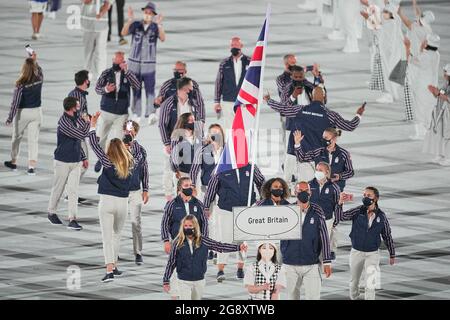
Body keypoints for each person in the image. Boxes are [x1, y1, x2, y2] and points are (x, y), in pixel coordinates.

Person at [264, 86, 364, 186]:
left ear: (311, 96)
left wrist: (269, 100)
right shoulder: (331, 115)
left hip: (293, 153)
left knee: (287, 185)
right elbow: (350, 126)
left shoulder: (300, 109)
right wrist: (358, 115)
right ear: (324, 97)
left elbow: (282, 109)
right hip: (315, 159)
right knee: (309, 188)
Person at [88, 111, 134, 282]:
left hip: (107, 202)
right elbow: (130, 138)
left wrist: (93, 125)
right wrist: (128, 124)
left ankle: (109, 270)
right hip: (123, 203)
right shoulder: (130, 161)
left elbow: (94, 144)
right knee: (117, 235)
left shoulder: (107, 162)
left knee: (107, 237)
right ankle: (114, 266)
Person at [203, 164, 265, 282]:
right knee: (224, 239)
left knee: (242, 239)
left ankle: (240, 267)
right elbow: (211, 188)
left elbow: (262, 182)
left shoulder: (251, 167)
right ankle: (221, 269)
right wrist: (206, 206)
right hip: (226, 210)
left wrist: (263, 199)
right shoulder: (220, 168)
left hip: (245, 209)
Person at [163, 215, 247, 300]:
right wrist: (166, 280)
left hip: (199, 280)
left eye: (190, 226)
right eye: (185, 226)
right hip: (183, 280)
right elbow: (171, 262)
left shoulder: (203, 241)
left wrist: (238, 247)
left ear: (195, 226)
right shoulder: (177, 242)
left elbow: (219, 246)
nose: (187, 228)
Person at [336, 186, 395, 300]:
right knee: (354, 282)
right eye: (364, 195)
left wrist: (392, 253)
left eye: (369, 195)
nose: (365, 197)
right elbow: (341, 217)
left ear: (376, 198)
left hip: (373, 254)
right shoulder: (358, 211)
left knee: (370, 283)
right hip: (356, 252)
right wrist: (340, 203)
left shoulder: (381, 216)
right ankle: (354, 297)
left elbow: (387, 235)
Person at [281, 181, 332, 300]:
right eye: (300, 191)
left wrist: (327, 261)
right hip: (290, 263)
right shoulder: (287, 211)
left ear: (310, 192)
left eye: (306, 191)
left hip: (311, 263)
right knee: (291, 297)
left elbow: (324, 236)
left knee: (313, 297)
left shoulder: (317, 210)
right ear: (295, 192)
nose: (303, 193)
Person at [159, 77, 205, 201]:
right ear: (184, 89)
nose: (192, 90)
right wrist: (167, 143)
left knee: (193, 166)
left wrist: (200, 136)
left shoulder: (194, 103)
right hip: (174, 141)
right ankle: (169, 197)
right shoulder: (168, 103)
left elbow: (200, 118)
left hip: (191, 140)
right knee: (170, 169)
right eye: (190, 88)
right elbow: (162, 123)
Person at [47, 97, 90, 230]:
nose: (79, 107)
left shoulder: (76, 118)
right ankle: (51, 212)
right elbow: (81, 135)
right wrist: (89, 123)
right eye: (77, 105)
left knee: (73, 191)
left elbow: (78, 141)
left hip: (75, 161)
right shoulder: (64, 122)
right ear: (71, 107)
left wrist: (83, 157)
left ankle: (72, 219)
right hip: (62, 162)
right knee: (58, 188)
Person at [161, 177, 207, 299]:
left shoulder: (198, 204)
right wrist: (166, 240)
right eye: (186, 186)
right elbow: (165, 223)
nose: (190, 188)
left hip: (194, 243)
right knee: (175, 267)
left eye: (191, 185)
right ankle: (175, 296)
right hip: (178, 242)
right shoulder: (172, 204)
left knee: (190, 267)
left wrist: (204, 241)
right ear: (180, 188)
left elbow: (205, 224)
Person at [94, 51, 140, 173]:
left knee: (120, 139)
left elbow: (137, 86)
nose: (120, 64)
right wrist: (106, 89)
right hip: (106, 111)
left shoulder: (127, 74)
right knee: (100, 138)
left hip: (122, 113)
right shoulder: (106, 73)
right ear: (113, 61)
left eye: (122, 62)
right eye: (118, 61)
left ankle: (116, 162)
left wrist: (127, 71)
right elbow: (97, 89)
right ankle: (101, 158)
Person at [121, 2, 166, 124]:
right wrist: (129, 20)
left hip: (149, 63)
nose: (147, 14)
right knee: (135, 87)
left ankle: (151, 112)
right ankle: (136, 112)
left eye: (150, 13)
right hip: (134, 63)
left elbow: (163, 38)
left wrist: (159, 24)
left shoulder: (155, 27)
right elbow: (124, 33)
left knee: (150, 88)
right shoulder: (136, 25)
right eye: (146, 12)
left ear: (153, 14)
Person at [189, 124, 224, 260]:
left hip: (223, 191)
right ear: (209, 135)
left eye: (218, 132)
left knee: (218, 220)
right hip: (206, 189)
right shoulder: (202, 151)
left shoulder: (227, 151)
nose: (215, 135)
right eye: (213, 133)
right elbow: (194, 170)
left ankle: (217, 248)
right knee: (208, 220)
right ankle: (209, 246)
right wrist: (192, 186)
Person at [4, 54, 43, 175]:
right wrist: (34, 60)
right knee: (33, 140)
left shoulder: (20, 83)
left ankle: (14, 161)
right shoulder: (40, 77)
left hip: (23, 113)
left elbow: (15, 103)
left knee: (16, 137)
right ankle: (31, 167)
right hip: (37, 112)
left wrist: (10, 118)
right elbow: (39, 69)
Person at [398, 2, 434, 122]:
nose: (419, 18)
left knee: (409, 88)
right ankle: (414, 114)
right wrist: (414, 3)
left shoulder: (418, 29)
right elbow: (418, 14)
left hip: (413, 61)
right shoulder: (427, 28)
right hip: (418, 60)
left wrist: (399, 12)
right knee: (411, 88)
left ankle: (411, 116)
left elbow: (407, 23)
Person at [365, 3, 404, 104]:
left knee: (387, 74)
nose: (383, 13)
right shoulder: (392, 21)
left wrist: (368, 17)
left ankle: (389, 95)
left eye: (386, 12)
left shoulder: (390, 24)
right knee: (388, 74)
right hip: (387, 53)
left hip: (388, 54)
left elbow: (377, 28)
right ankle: (392, 94)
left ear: (391, 14)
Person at [123, 120, 149, 265]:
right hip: (118, 191)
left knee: (136, 222)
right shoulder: (116, 146)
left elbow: (144, 170)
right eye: (127, 128)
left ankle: (138, 252)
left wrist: (145, 189)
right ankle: (114, 253)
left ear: (136, 132)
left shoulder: (140, 150)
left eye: (132, 129)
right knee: (117, 224)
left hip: (134, 191)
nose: (129, 131)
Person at [405, 33, 440, 140]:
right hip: (432, 85)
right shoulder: (436, 54)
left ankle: (420, 134)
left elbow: (410, 60)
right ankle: (429, 131)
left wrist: (407, 47)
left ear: (427, 43)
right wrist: (421, 48)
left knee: (419, 109)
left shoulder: (426, 56)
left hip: (422, 86)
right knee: (428, 109)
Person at [213, 37, 250, 129]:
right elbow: (219, 82)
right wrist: (217, 101)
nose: (234, 47)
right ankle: (230, 143)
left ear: (241, 46)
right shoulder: (224, 63)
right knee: (229, 127)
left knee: (244, 126)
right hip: (228, 100)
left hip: (244, 100)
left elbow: (255, 81)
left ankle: (242, 143)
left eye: (236, 45)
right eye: (232, 45)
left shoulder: (250, 62)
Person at [308, 161, 341, 260]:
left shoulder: (334, 188)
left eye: (320, 170)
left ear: (327, 173)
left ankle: (326, 259)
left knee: (324, 244)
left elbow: (337, 205)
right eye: (316, 170)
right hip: (312, 219)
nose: (317, 172)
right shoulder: (309, 185)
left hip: (327, 220)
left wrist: (336, 221)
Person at [68, 70, 91, 203]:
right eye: (88, 79)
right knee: (83, 164)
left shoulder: (77, 94)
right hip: (77, 134)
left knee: (80, 164)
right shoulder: (77, 96)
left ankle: (71, 193)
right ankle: (70, 193)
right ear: (85, 81)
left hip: (78, 133)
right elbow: (75, 116)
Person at [423, 64, 450, 166]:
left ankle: (448, 157)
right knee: (440, 135)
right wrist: (434, 92)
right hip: (441, 113)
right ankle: (440, 154)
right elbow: (439, 95)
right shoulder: (446, 84)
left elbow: (447, 98)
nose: (444, 75)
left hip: (448, 114)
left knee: (448, 136)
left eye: (446, 73)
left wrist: (438, 93)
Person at [81, 0, 111, 80]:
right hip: (88, 24)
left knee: (100, 51)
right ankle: (86, 73)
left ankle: (101, 74)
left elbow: (108, 4)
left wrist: (101, 13)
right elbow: (85, 1)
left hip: (102, 25)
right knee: (88, 51)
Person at [170, 113, 203, 181]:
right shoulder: (177, 136)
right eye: (191, 120)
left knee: (197, 191)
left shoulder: (198, 135)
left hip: (197, 172)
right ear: (184, 122)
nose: (193, 122)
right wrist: (176, 170)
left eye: (194, 120)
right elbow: (174, 156)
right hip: (182, 172)